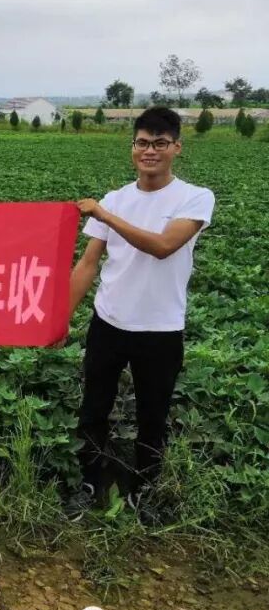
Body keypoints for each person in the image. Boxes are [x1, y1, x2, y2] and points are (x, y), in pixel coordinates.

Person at [65, 107, 215, 522]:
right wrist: (61, 317)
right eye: (143, 143)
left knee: (153, 414)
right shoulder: (116, 198)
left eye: (160, 143)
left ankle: (145, 489)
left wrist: (105, 215)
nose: (150, 151)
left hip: (161, 329)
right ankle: (89, 482)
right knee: (94, 408)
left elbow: (164, 246)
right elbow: (87, 264)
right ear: (133, 147)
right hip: (109, 321)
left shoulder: (194, 197)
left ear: (177, 147)